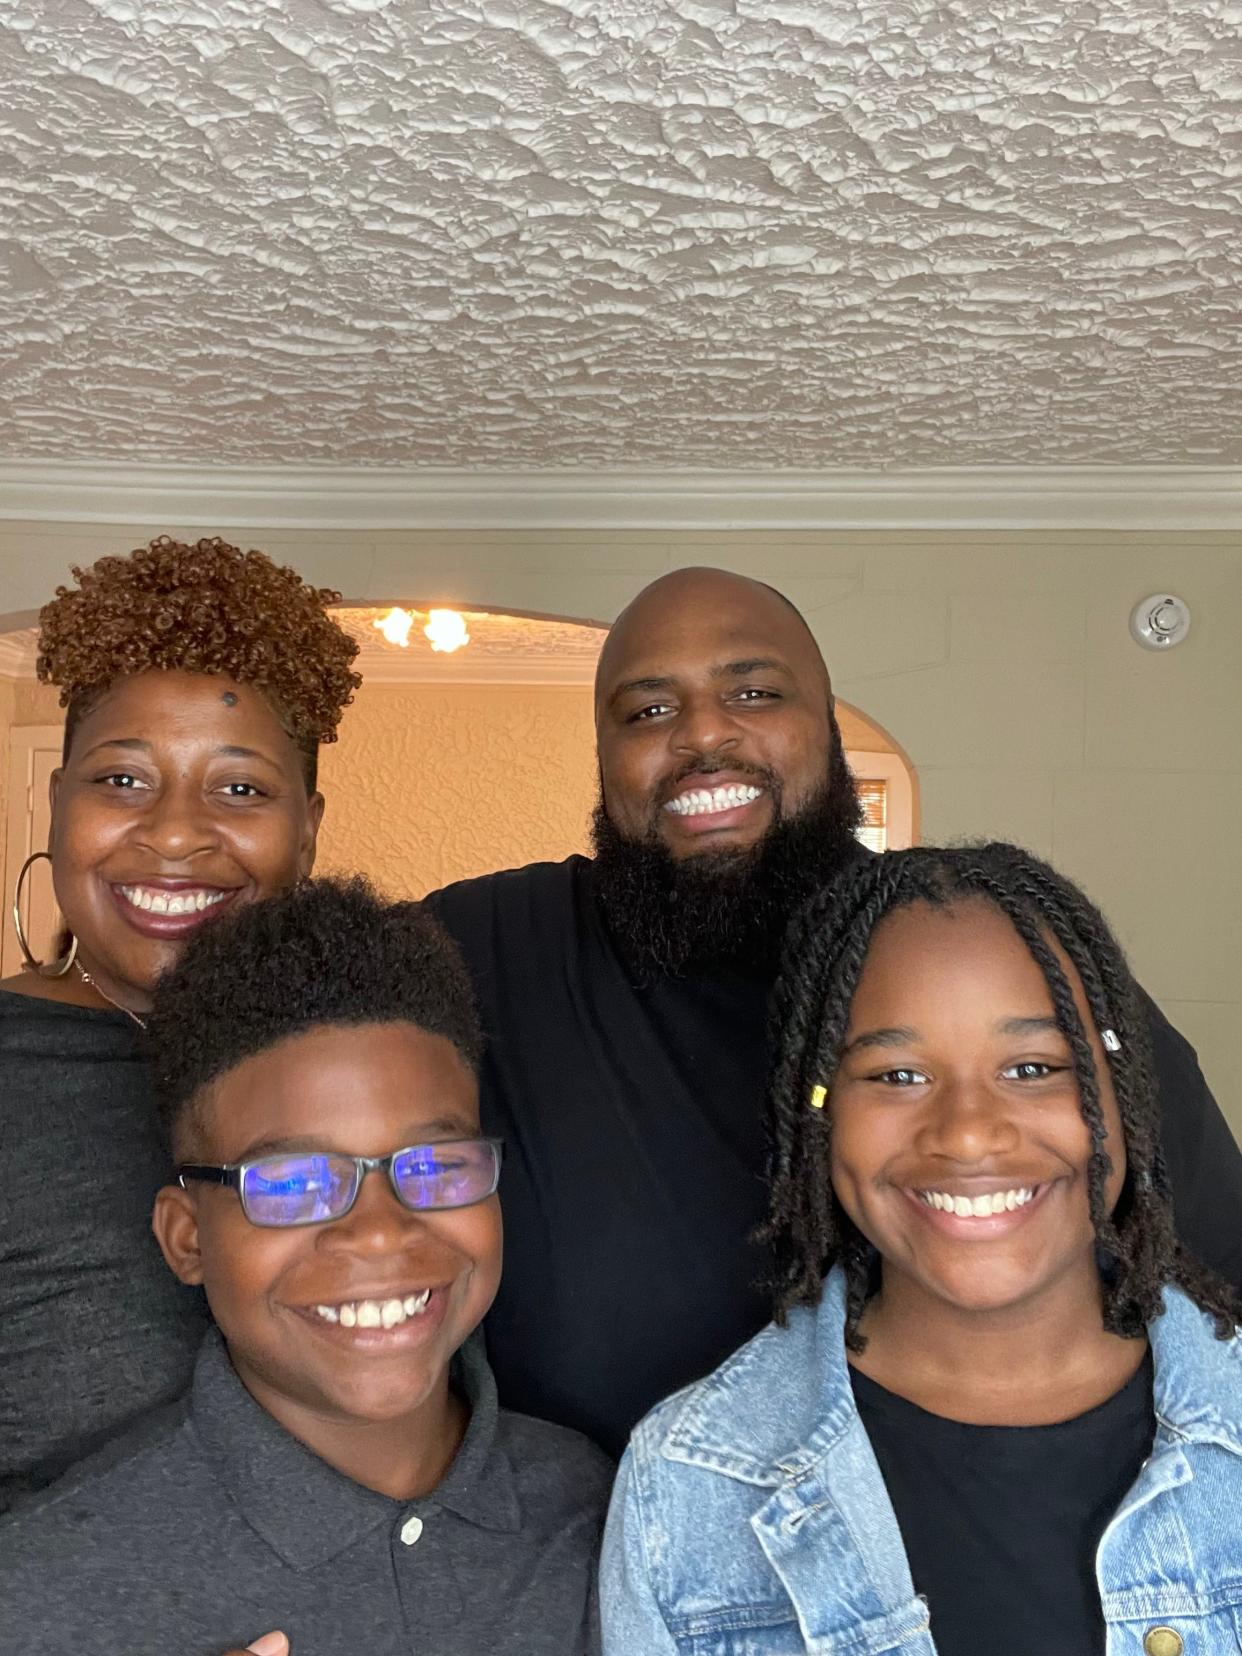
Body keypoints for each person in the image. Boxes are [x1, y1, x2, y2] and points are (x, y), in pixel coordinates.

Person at [428, 565, 1242, 1454]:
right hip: (581, 1561)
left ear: (827, 727)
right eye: (648, 711)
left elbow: (1213, 1271)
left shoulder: (997, 955)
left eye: (755, 691)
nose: (703, 733)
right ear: (601, 757)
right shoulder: (487, 948)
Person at [600, 842, 1242, 1655]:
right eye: (898, 1075)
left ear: (1125, 1096)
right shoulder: (690, 1485)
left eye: (1035, 1066)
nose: (968, 1131)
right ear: (818, 1112)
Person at [0, 877, 612, 1656]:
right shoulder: (40, 1594)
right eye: (292, 1183)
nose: (381, 1231)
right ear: (186, 1238)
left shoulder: (599, 1509)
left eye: (434, 1163)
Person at [0, 535, 360, 1509]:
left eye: (239, 789)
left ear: (310, 828)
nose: (172, 834)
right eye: (122, 779)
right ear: (55, 802)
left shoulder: (367, 1080)